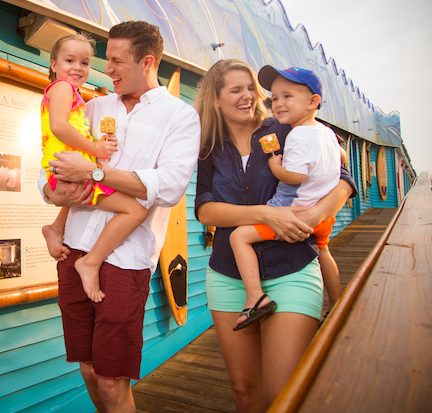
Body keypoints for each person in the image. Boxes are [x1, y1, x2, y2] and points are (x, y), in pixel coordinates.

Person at [39, 21, 200, 412]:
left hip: (125, 261)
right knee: (90, 370)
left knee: (113, 381)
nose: (106, 69)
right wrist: (52, 198)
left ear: (147, 61)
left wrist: (93, 173)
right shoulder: (92, 106)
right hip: (73, 253)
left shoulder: (180, 116)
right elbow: (55, 170)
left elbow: (171, 184)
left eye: (115, 61)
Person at [194, 59, 356, 411]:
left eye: (251, 87)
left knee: (284, 395)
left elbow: (344, 177)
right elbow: (205, 209)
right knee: (244, 392)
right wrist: (266, 214)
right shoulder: (209, 146)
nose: (248, 96)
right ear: (216, 99)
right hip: (228, 276)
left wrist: (313, 215)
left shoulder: (285, 126)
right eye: (236, 90)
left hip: (293, 268)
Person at [228, 66, 344, 331]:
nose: (278, 104)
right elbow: (342, 158)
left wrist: (274, 164)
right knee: (324, 251)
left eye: (287, 96)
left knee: (239, 237)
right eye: (275, 98)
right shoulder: (326, 132)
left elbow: (294, 176)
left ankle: (255, 296)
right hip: (325, 214)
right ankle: (337, 304)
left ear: (313, 101)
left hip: (297, 212)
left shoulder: (297, 135)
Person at [40, 33, 150, 303]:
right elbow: (59, 127)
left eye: (85, 62)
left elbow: (69, 132)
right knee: (135, 209)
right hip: (65, 170)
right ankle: (90, 262)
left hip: (65, 168)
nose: (78, 67)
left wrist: (95, 145)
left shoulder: (74, 95)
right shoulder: (63, 88)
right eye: (70, 60)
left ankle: (56, 227)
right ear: (53, 63)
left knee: (87, 194)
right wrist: (95, 150)